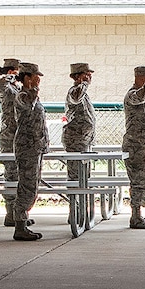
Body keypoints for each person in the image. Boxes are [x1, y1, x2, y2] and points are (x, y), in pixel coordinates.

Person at [9, 61, 49, 242]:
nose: (38, 79)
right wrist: (33, 89)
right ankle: (19, 225)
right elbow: (28, 105)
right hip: (27, 147)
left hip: (35, 146)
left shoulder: (31, 95)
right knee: (26, 185)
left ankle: (22, 219)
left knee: (32, 185)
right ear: (27, 78)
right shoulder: (22, 95)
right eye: (35, 76)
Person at [121, 66, 145, 229]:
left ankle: (138, 215)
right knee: (139, 181)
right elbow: (139, 97)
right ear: (143, 77)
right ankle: (135, 217)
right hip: (136, 146)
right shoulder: (133, 94)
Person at [60, 61, 96, 196]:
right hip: (76, 141)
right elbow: (76, 97)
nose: (89, 78)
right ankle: (74, 210)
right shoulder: (74, 91)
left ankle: (83, 208)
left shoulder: (84, 93)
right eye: (86, 75)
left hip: (84, 141)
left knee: (85, 177)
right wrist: (83, 83)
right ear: (78, 77)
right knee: (75, 178)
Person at [0, 57, 23, 225]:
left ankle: (19, 212)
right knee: (11, 175)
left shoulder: (17, 88)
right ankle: (10, 212)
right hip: (9, 137)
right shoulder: (5, 87)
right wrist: (9, 76)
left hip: (21, 137)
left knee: (20, 176)